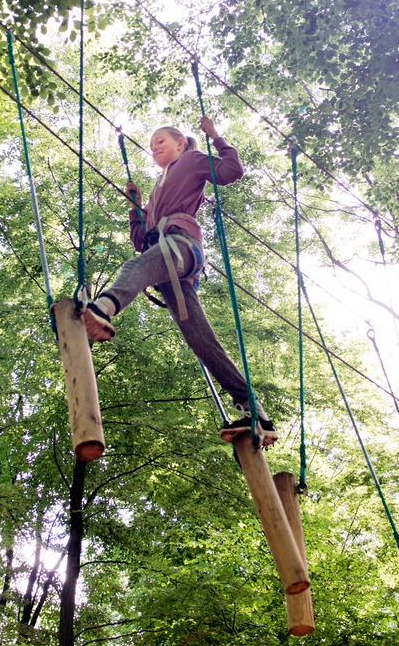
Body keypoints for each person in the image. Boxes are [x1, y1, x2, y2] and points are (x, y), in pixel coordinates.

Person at [80, 116, 275, 444]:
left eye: (161, 141)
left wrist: (215, 137)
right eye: (152, 144)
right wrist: (135, 207)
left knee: (132, 268)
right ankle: (255, 413)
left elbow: (231, 172)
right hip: (168, 271)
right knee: (201, 342)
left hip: (183, 247)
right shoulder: (157, 190)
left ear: (180, 144)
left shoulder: (192, 161)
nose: (154, 147)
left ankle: (103, 308)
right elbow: (142, 240)